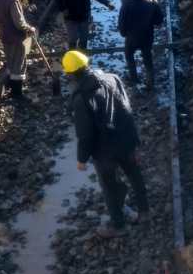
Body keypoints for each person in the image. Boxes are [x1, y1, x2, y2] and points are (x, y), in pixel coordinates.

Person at [63, 50, 149, 238]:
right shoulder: (112, 78)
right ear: (86, 64)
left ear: (69, 74)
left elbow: (85, 134)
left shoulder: (80, 98)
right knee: (135, 175)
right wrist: (134, 140)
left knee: (109, 187)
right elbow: (126, 107)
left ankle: (119, 225)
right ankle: (144, 211)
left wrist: (82, 159)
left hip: (105, 151)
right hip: (126, 139)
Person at [118, 0, 164, 90]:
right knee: (147, 58)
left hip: (131, 38)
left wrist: (123, 33)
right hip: (147, 37)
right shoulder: (152, 1)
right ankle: (150, 83)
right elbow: (159, 20)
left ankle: (134, 80)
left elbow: (122, 23)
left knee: (129, 55)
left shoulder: (126, 3)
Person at [0, 0, 36, 98]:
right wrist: (29, 28)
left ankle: (12, 88)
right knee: (19, 63)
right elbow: (19, 22)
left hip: (5, 36)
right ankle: (17, 93)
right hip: (16, 38)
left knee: (11, 62)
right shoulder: (12, 2)